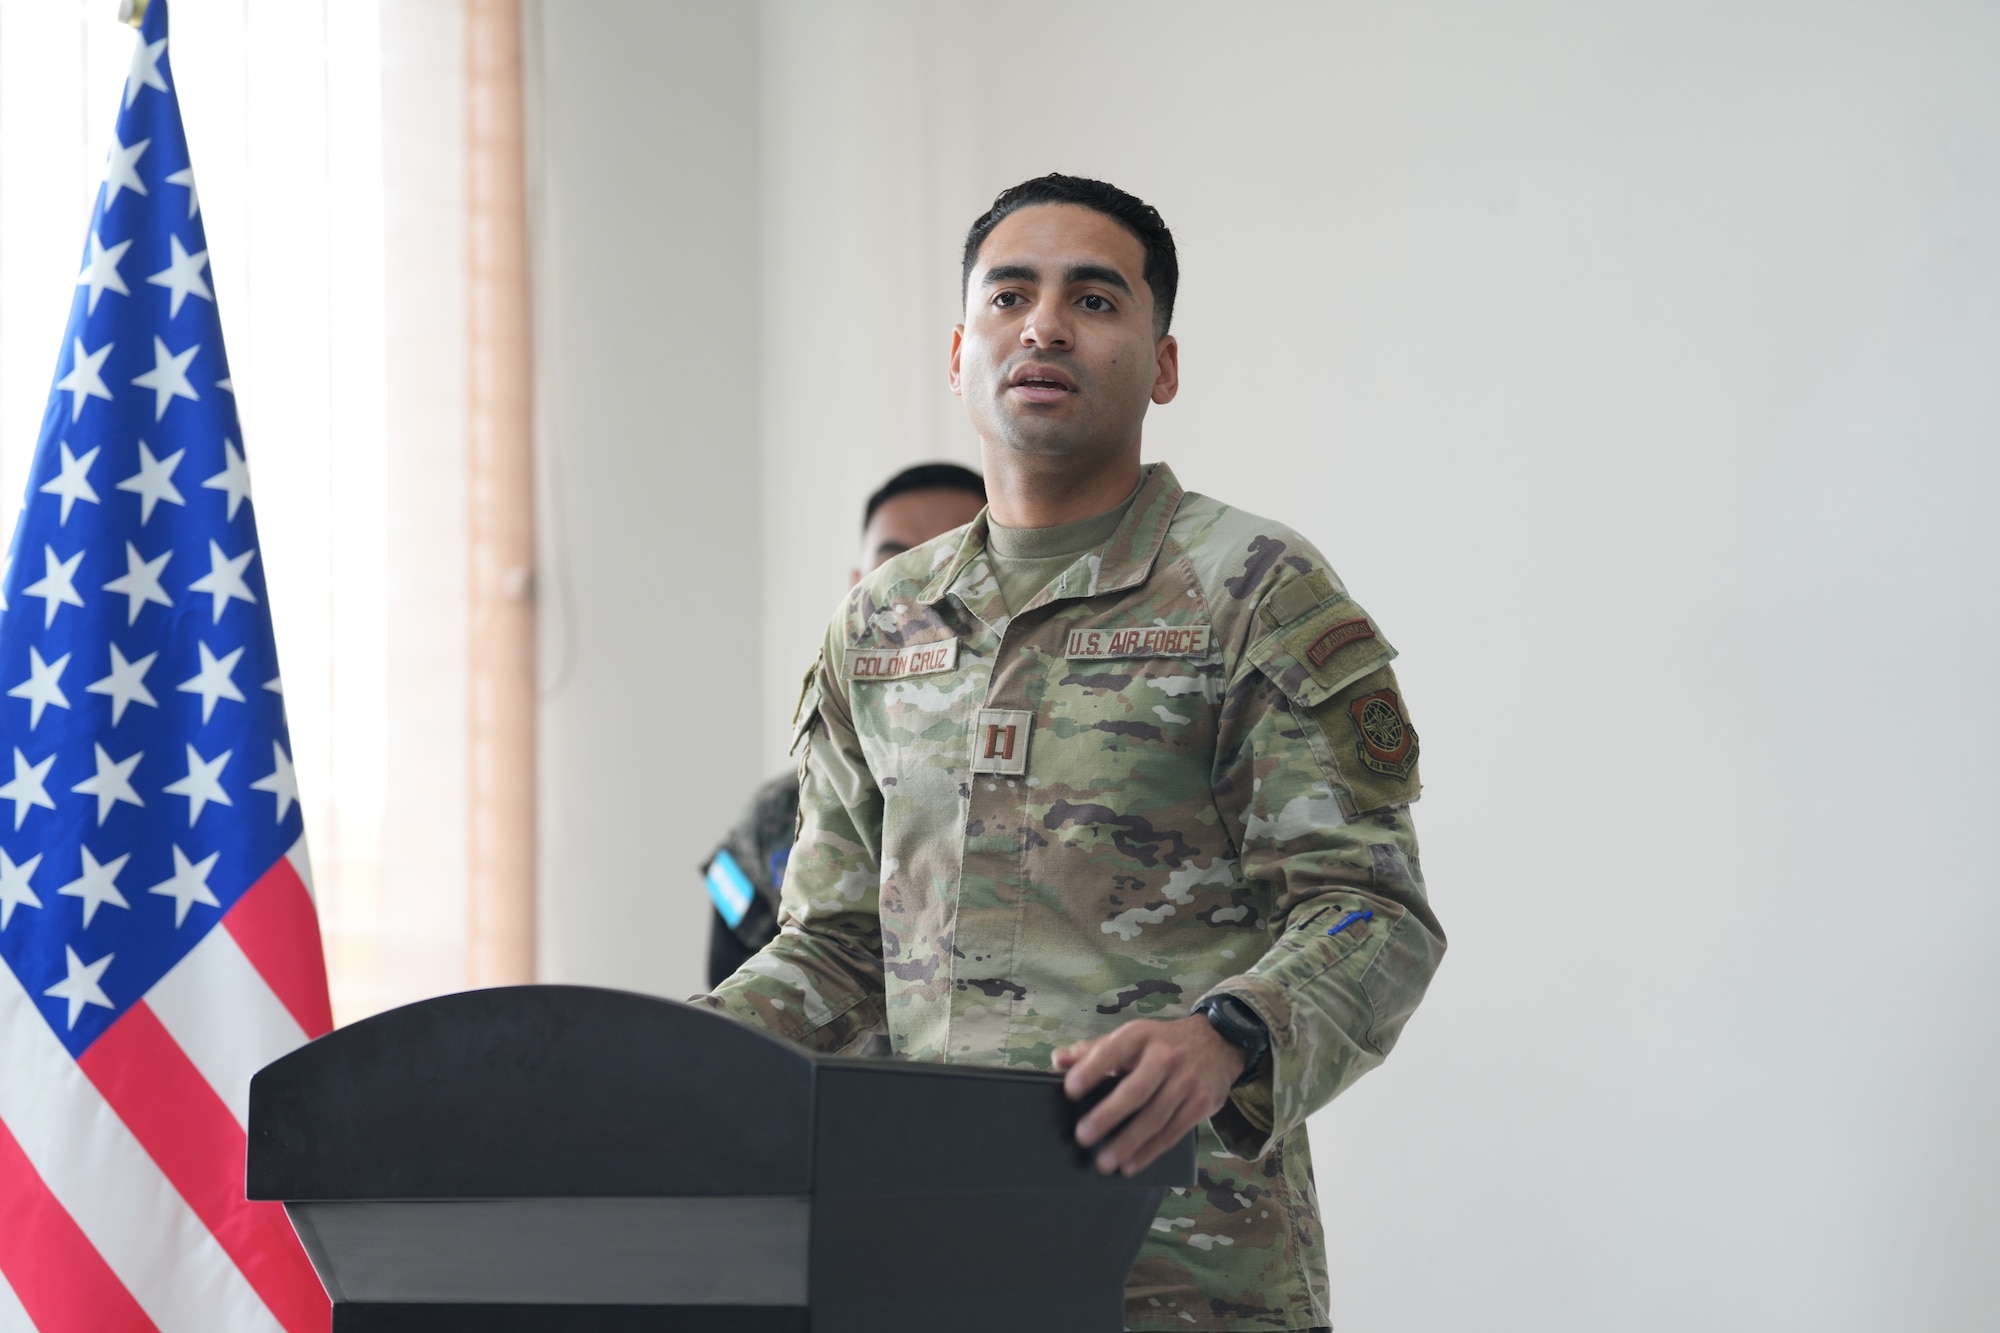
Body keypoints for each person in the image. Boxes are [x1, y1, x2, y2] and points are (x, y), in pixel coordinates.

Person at [700, 174, 1445, 1333]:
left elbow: (1371, 912)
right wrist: (672, 1060)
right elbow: (841, 949)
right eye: (1010, 294)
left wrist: (1224, 1036)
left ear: (1162, 365)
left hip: (1184, 1272)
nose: (1043, 324)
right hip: (924, 1260)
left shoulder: (1251, 588)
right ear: (959, 352)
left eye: (1095, 299)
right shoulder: (882, 625)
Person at [701, 463, 988, 988]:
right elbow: (735, 1036)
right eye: (895, 568)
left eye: (950, 567)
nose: (919, 599)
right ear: (857, 592)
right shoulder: (776, 822)